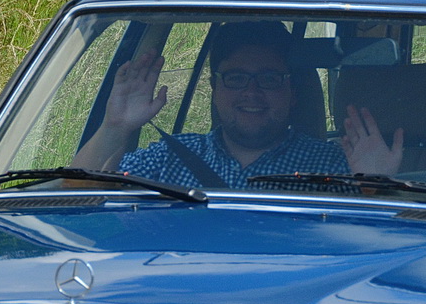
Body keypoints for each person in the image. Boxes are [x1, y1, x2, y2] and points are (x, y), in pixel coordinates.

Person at [70, 22, 403, 190]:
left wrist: (375, 183)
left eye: (270, 79)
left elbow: (367, 248)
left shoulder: (335, 166)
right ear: (215, 87)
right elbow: (75, 196)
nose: (252, 92)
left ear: (293, 92)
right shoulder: (167, 157)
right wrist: (114, 128)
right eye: (236, 78)